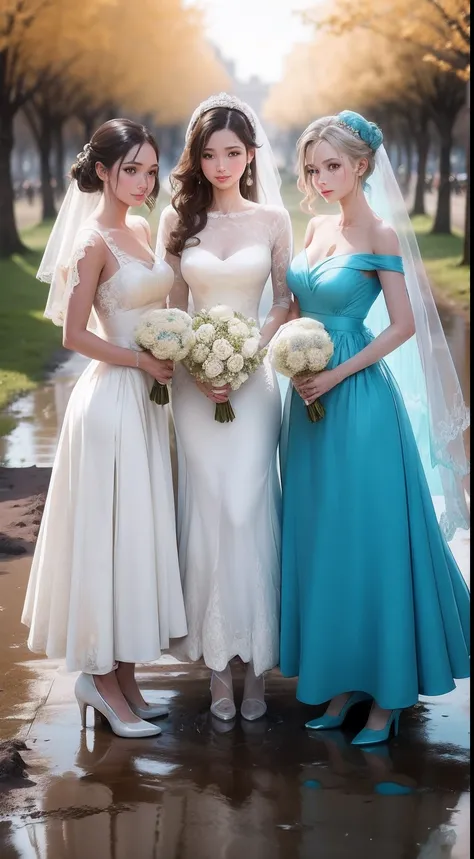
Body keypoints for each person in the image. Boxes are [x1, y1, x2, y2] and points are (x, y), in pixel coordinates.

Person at [279, 110, 470, 745]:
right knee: (325, 542)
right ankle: (340, 686)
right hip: (307, 411)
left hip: (357, 401)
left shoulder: (382, 234)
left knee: (371, 538)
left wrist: (334, 375)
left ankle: (387, 700)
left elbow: (403, 325)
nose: (323, 177)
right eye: (313, 168)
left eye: (333, 164)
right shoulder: (315, 226)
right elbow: (295, 305)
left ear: (362, 165)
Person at [22, 118, 187, 738]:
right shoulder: (91, 243)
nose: (144, 181)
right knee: (112, 539)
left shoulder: (142, 229)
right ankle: (98, 680)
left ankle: (126, 681)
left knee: (136, 538)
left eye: (150, 169)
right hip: (113, 399)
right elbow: (73, 335)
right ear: (102, 172)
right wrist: (142, 359)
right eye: (132, 170)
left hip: (149, 401)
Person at [157, 93, 292, 721]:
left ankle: (255, 665)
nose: (220, 165)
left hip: (254, 380)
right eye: (209, 154)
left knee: (248, 506)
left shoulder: (271, 221)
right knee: (207, 508)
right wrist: (198, 364)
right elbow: (173, 309)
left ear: (250, 155)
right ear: (197, 157)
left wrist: (245, 359)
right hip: (194, 385)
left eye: (232, 153)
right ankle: (216, 669)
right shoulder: (178, 223)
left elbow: (283, 303)